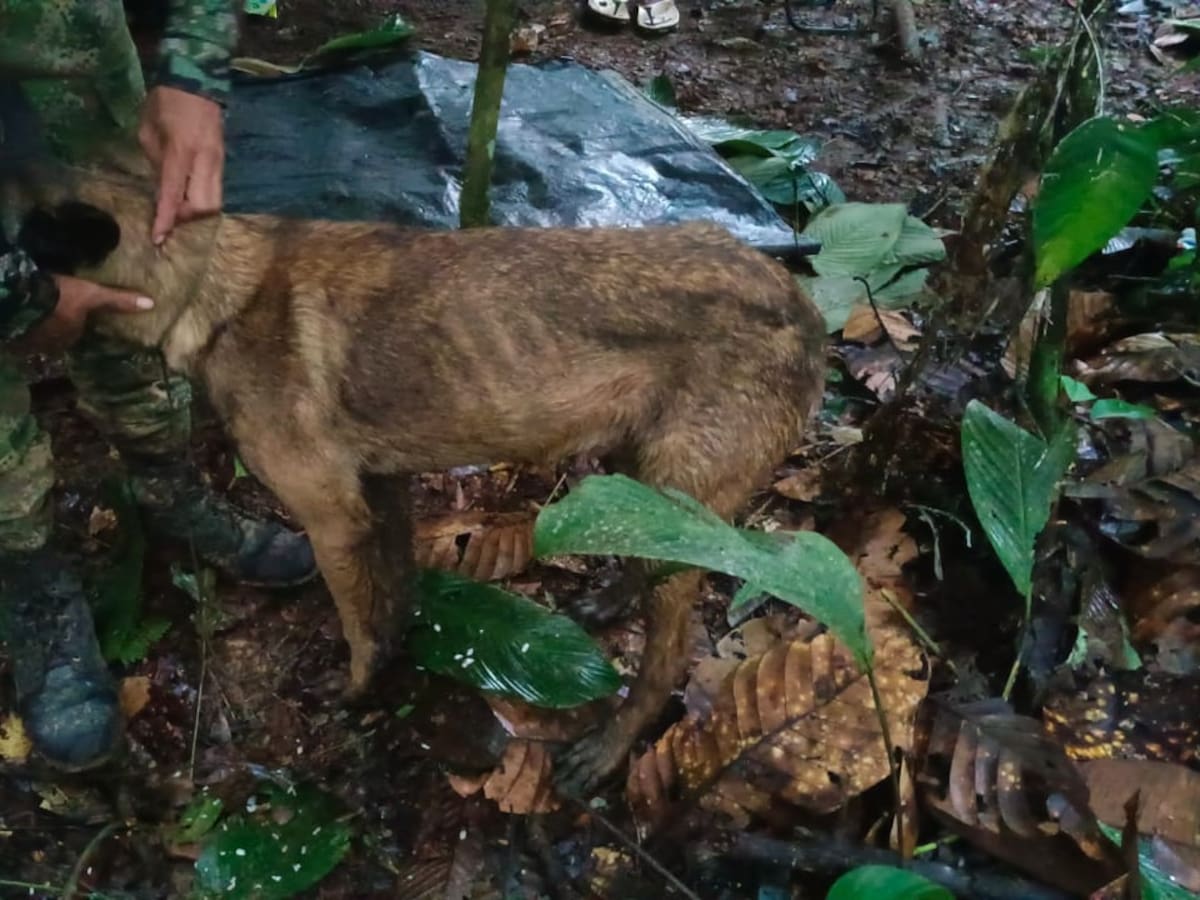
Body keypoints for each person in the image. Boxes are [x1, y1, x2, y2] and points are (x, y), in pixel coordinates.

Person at [0, 1, 316, 772]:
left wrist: (195, 67)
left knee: (141, 265)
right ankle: (32, 580)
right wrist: (20, 296)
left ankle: (168, 486)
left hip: (57, 46)